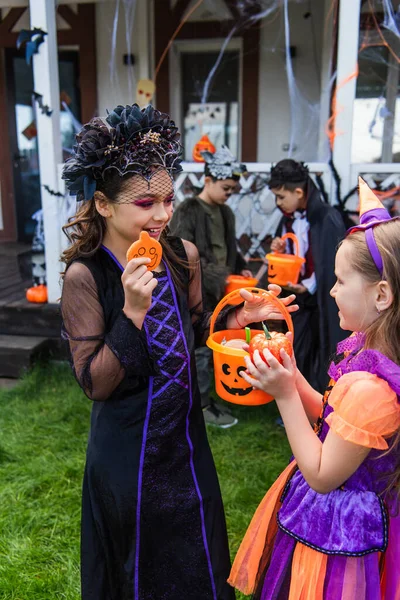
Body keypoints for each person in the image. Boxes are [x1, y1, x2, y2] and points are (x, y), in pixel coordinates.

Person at [60, 103, 298, 600]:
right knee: (135, 572)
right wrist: (131, 312)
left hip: (186, 447)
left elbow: (191, 331)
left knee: (198, 562)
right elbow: (95, 384)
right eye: (146, 203)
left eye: (169, 199)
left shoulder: (180, 255)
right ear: (103, 204)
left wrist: (236, 319)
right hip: (128, 455)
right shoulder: (87, 276)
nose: (164, 215)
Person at [228, 178, 400, 600]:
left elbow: (322, 474)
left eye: (340, 281)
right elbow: (331, 415)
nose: (331, 290)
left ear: (382, 295)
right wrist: (290, 373)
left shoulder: (373, 388)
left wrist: (285, 396)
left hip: (344, 540)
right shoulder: (368, 354)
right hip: (336, 521)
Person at [170, 146, 252, 427]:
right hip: (198, 291)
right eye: (225, 187)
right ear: (207, 180)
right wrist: (218, 276)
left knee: (222, 338)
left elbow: (230, 247)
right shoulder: (188, 210)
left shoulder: (226, 213)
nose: (229, 193)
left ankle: (217, 393)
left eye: (232, 189)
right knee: (202, 346)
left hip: (223, 290)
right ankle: (202, 406)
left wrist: (239, 265)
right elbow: (180, 254)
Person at [268, 159, 347, 391]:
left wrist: (310, 285)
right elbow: (292, 252)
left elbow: (331, 261)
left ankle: (322, 396)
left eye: (281, 197)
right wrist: (280, 249)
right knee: (298, 348)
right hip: (296, 296)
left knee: (323, 347)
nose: (277, 203)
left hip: (322, 297)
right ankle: (297, 397)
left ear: (299, 192)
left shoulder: (327, 218)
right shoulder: (288, 218)